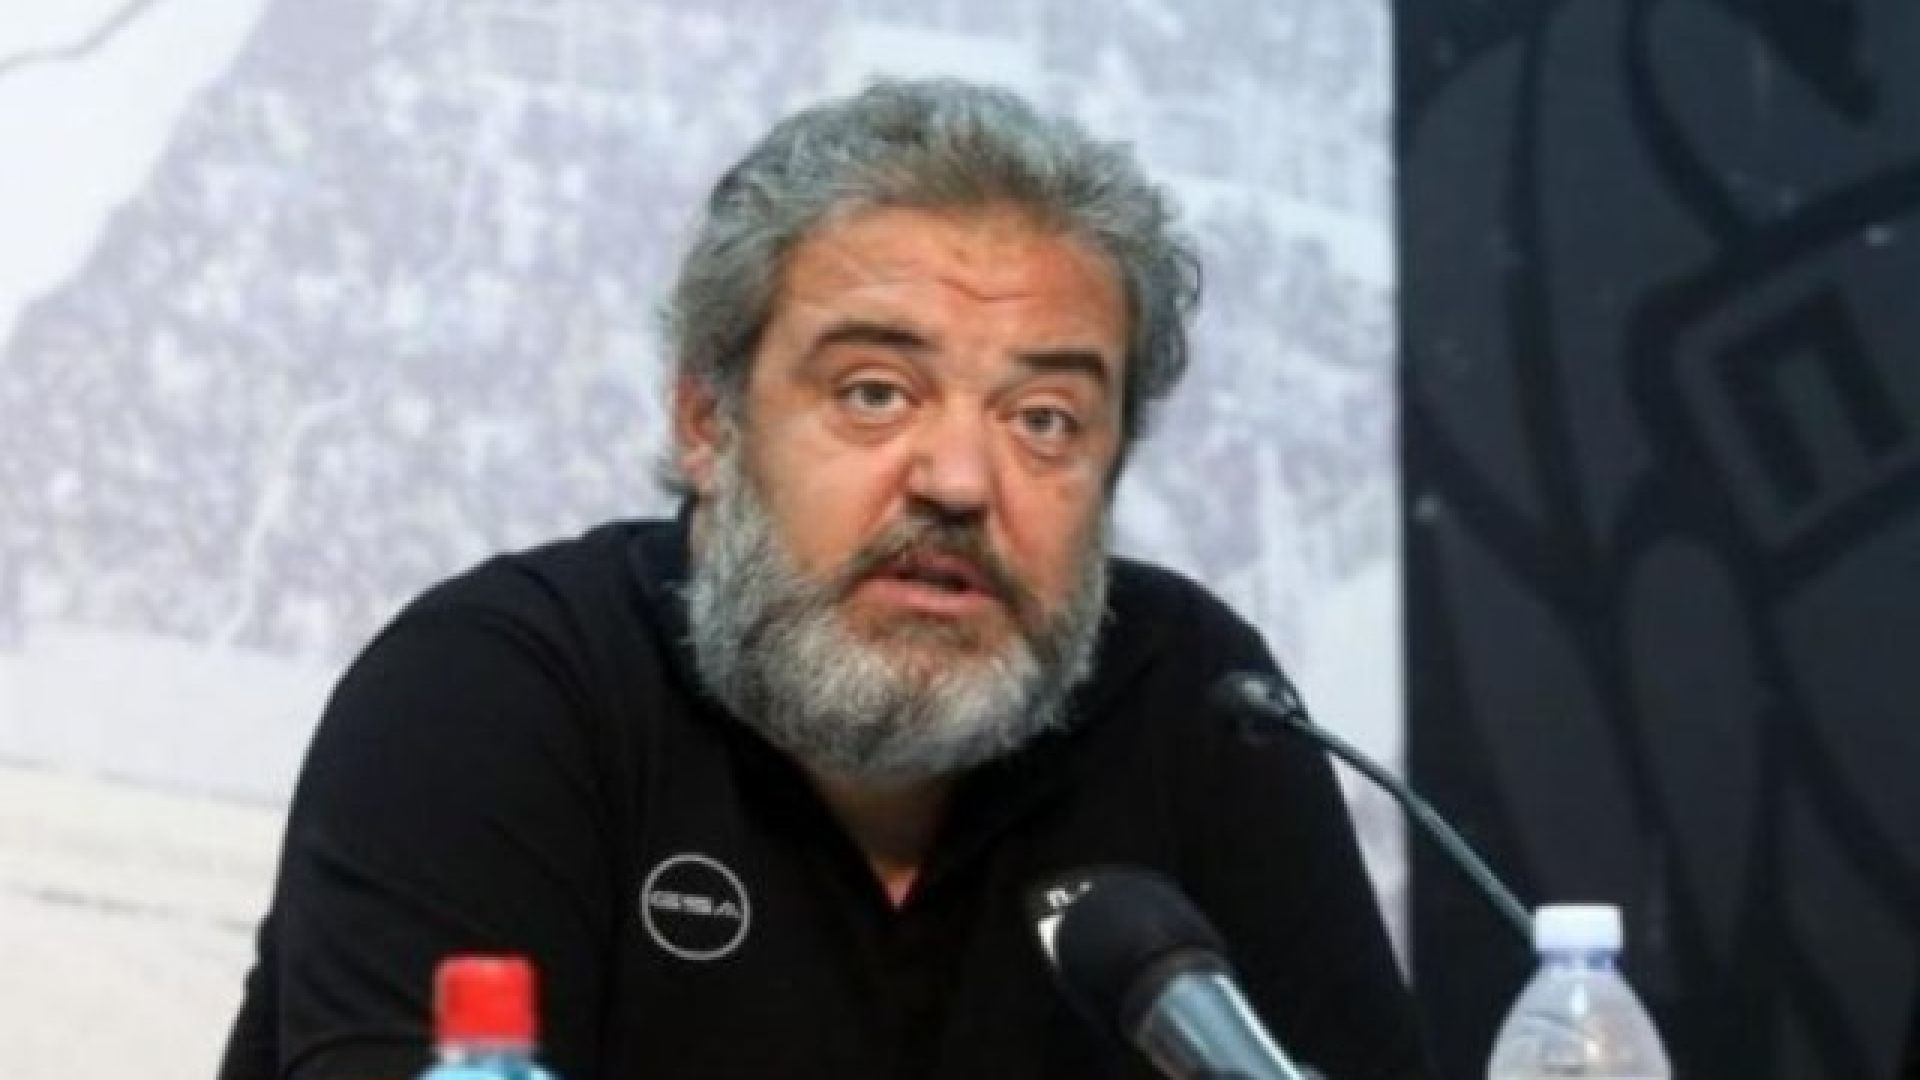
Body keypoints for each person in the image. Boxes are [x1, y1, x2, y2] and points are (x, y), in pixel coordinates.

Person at [219, 79, 1430, 1080]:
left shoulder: (1197, 706)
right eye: (875, 393)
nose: (959, 480)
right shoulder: (490, 693)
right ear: (709, 420)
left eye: (1045, 419)